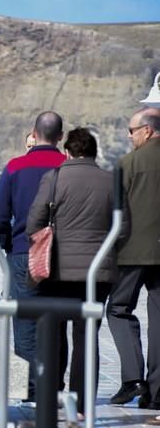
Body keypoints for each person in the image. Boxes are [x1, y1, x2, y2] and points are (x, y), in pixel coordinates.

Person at [26, 128, 129, 417]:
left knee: (54, 332)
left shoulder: (54, 178)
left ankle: (53, 395)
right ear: (95, 152)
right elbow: (124, 228)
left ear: (68, 152)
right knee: (87, 336)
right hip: (97, 272)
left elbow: (34, 222)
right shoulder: (112, 181)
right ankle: (83, 405)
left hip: (56, 269)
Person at [0, 111, 66, 403]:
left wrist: (7, 240)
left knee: (24, 320)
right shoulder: (67, 166)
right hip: (61, 254)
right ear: (60, 136)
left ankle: (29, 386)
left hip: (23, 251)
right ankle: (54, 384)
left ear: (33, 134)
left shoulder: (15, 167)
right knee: (58, 319)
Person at [107, 106, 160, 408]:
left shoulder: (127, 164)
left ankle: (132, 379)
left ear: (148, 130)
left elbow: (116, 212)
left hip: (131, 251)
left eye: (132, 130)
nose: (129, 136)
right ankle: (156, 394)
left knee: (118, 309)